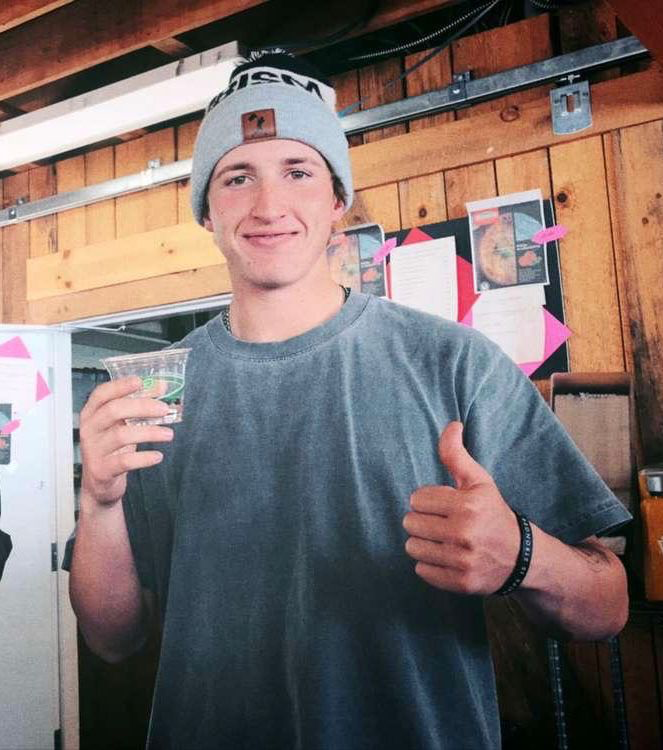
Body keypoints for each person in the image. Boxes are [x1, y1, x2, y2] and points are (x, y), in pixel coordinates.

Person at [67, 51, 631, 750]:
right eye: (237, 177)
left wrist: (521, 555)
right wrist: (98, 500)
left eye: (298, 172)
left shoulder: (454, 364)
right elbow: (112, 638)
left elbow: (607, 606)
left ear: (337, 201)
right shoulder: (155, 395)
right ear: (206, 211)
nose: (268, 206)